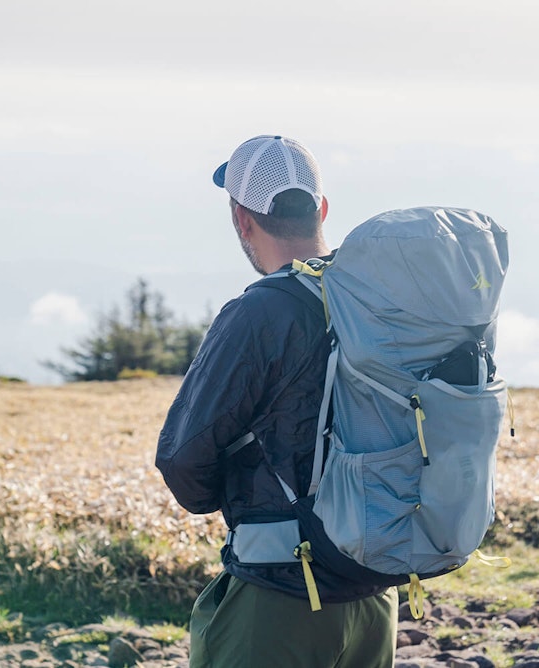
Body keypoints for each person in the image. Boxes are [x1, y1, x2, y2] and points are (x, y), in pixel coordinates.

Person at [155, 135, 398, 668]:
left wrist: (240, 500)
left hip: (282, 594)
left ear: (242, 219)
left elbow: (183, 459)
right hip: (377, 593)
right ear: (322, 210)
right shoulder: (380, 302)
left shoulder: (258, 313)